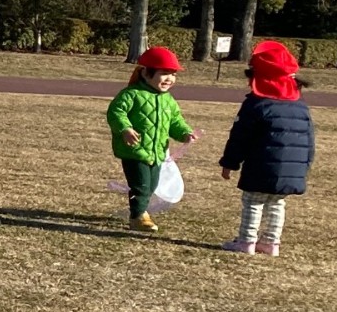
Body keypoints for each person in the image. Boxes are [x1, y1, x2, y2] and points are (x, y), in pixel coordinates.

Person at [217, 40, 315, 256]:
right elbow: (309, 140)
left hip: (260, 166)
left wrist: (229, 163)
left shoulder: (255, 104)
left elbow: (240, 137)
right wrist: (304, 167)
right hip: (291, 170)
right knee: (276, 203)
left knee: (253, 201)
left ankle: (247, 241)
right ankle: (271, 242)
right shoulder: (300, 106)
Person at [107, 45, 195, 233]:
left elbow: (175, 121)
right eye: (164, 73)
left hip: (157, 152)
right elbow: (116, 112)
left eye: (173, 74)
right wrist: (125, 129)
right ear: (146, 73)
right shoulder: (131, 94)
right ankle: (138, 217)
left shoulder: (168, 100)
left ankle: (140, 211)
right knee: (141, 185)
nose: (169, 79)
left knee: (152, 185)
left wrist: (184, 133)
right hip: (134, 150)